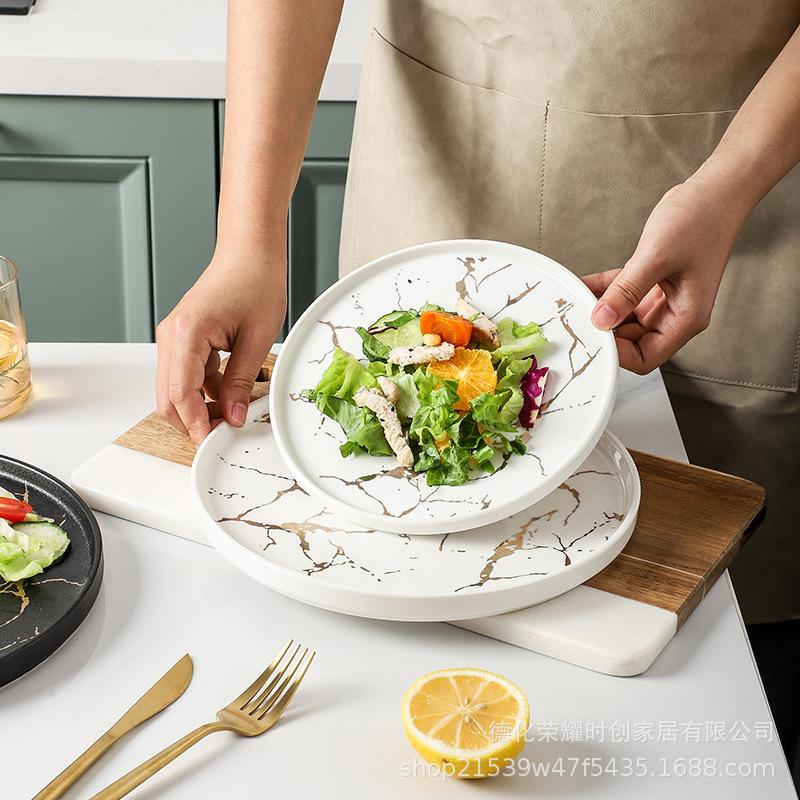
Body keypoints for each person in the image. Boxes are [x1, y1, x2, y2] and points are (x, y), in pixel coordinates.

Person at [155, 0, 800, 771]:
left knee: (708, 702)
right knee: (382, 633)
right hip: (442, 149)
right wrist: (245, 240)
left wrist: (728, 188)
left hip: (742, 169)